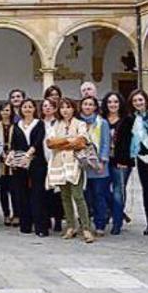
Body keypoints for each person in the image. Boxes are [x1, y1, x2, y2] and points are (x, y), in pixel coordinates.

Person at [46, 98, 94, 243]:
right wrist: (69, 141)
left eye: (68, 107)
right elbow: (50, 143)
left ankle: (86, 228)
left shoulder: (80, 124)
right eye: (62, 107)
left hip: (74, 163)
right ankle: (71, 226)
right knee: (65, 196)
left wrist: (62, 142)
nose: (65, 110)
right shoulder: (56, 124)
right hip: (59, 163)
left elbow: (81, 142)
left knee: (78, 196)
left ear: (74, 109)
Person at [9, 99, 48, 236]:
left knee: (38, 193)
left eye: (30, 107)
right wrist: (12, 154)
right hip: (20, 163)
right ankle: (25, 225)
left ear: (34, 109)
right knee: (22, 193)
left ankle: (41, 227)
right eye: (24, 107)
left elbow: (38, 141)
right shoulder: (17, 125)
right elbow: (14, 143)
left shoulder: (39, 124)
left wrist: (29, 154)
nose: (27, 109)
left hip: (36, 162)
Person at [128, 89, 148, 236]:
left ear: (146, 100)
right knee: (147, 191)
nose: (138, 103)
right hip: (141, 158)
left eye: (140, 100)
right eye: (135, 101)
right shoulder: (133, 118)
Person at [78, 96, 111, 237]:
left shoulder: (101, 123)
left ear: (95, 107)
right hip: (82, 166)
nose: (88, 107)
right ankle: (85, 224)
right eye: (85, 104)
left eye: (91, 104)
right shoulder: (77, 123)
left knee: (99, 196)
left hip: (98, 167)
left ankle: (100, 224)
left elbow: (105, 143)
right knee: (85, 197)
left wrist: (102, 162)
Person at [102, 92, 131, 235]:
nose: (112, 105)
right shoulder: (101, 120)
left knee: (119, 192)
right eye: (109, 102)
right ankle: (115, 211)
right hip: (105, 160)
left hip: (121, 162)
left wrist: (124, 160)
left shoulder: (127, 120)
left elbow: (130, 142)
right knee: (103, 190)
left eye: (115, 102)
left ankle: (117, 222)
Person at [41, 97, 64, 232]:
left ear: (55, 108)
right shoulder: (39, 123)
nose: (47, 108)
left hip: (57, 160)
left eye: (50, 106)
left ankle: (59, 219)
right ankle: (47, 218)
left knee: (58, 193)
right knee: (45, 192)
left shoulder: (59, 123)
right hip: (43, 161)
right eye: (45, 106)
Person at [0, 103, 17, 226]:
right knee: (3, 189)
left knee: (15, 189)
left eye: (7, 110)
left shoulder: (17, 125)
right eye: (3, 110)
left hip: (14, 159)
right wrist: (2, 154)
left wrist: (12, 154)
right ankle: (6, 214)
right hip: (0, 159)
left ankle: (16, 214)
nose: (5, 112)